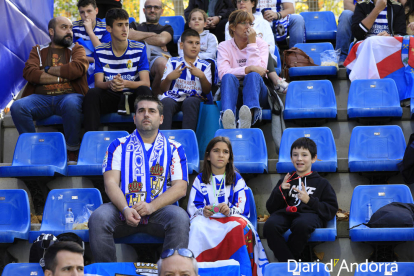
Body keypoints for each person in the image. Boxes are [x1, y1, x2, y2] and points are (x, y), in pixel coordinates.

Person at [88, 95, 190, 262]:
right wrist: (125, 209)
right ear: (134, 118)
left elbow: (180, 188)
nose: (146, 115)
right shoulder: (118, 145)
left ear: (161, 118)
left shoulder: (174, 148)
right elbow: (110, 183)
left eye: (152, 111)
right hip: (122, 211)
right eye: (141, 111)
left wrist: (151, 206)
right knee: (98, 218)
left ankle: (172, 270)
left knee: (180, 218)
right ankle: (108, 273)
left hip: (159, 211)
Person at [10, 16, 88, 162]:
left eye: (70, 28)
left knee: (72, 104)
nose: (69, 31)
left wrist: (47, 70)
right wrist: (63, 76)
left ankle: (72, 149)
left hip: (68, 96)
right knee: (18, 107)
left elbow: (77, 69)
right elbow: (29, 72)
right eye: (64, 27)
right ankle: (33, 148)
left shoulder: (77, 49)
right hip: (41, 99)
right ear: (51, 31)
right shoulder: (38, 50)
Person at [187, 136, 268, 276]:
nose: (220, 155)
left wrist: (230, 210)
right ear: (207, 156)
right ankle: (197, 271)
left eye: (225, 152)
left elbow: (242, 206)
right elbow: (194, 207)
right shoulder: (200, 179)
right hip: (206, 219)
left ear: (230, 157)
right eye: (216, 151)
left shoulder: (237, 178)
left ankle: (241, 272)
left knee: (240, 226)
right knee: (195, 227)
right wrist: (203, 211)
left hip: (231, 219)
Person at [263, 137, 338, 262]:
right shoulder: (285, 180)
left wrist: (309, 200)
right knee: (270, 225)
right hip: (286, 214)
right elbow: (271, 208)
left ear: (313, 158)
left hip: (309, 216)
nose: (299, 159)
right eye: (295, 155)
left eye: (304, 155)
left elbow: (331, 209)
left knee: (302, 224)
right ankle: (290, 262)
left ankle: (286, 264)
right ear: (291, 158)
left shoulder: (322, 183)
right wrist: (280, 190)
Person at [82, 8, 152, 131]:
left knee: (145, 91)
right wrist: (110, 84)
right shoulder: (100, 50)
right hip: (111, 95)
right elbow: (98, 83)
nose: (125, 29)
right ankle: (92, 139)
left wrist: (125, 83)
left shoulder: (139, 48)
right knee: (92, 94)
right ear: (109, 28)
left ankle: (146, 137)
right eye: (120, 25)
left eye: (126, 25)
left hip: (132, 96)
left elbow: (146, 82)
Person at [218, 10, 269, 129]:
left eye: (250, 23)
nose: (248, 27)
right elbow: (222, 73)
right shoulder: (223, 46)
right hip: (234, 91)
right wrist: (248, 68)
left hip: (258, 92)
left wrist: (252, 44)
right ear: (233, 27)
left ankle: (248, 117)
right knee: (227, 77)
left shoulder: (261, 44)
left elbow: (259, 72)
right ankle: (228, 118)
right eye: (244, 23)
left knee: (252, 76)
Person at [225, 0, 288, 93]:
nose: (241, 3)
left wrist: (252, 44)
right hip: (238, 59)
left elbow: (270, 47)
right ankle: (276, 80)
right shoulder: (229, 24)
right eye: (238, 1)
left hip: (265, 60)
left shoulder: (263, 23)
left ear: (253, 3)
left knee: (264, 48)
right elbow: (230, 45)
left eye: (245, 0)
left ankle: (275, 79)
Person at [160, 29, 212, 131]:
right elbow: (163, 89)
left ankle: (188, 139)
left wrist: (201, 76)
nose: (194, 46)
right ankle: (163, 138)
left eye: (197, 43)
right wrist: (169, 77)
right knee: (166, 102)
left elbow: (207, 90)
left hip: (194, 98)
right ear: (181, 45)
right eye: (190, 42)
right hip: (173, 97)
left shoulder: (205, 65)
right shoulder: (172, 62)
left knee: (190, 102)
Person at [128, 0, 175, 96]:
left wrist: (138, 36)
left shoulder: (167, 28)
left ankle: (156, 99)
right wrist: (154, 35)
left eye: (156, 7)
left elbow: (162, 40)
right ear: (144, 10)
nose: (152, 10)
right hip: (135, 57)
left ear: (161, 11)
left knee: (163, 64)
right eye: (149, 7)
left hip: (156, 57)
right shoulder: (134, 25)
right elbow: (127, 36)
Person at [336, 0, 357, 67]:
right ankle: (341, 57)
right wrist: (363, 12)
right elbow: (347, 5)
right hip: (357, 20)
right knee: (346, 14)